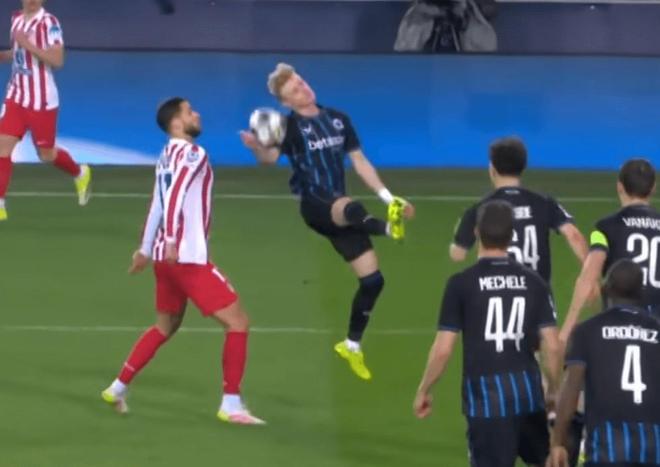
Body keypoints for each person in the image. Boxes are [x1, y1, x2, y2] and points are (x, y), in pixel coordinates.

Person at [240, 63, 415, 381]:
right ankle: (389, 229)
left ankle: (351, 345)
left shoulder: (338, 119)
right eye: (294, 89)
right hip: (315, 205)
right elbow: (270, 159)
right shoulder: (289, 128)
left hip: (342, 211)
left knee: (373, 281)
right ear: (286, 102)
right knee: (350, 207)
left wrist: (389, 198)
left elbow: (360, 162)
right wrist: (257, 147)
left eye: (301, 81)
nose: (303, 88)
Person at [101, 98, 265, 425]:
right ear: (176, 122)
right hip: (186, 257)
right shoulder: (193, 154)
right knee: (238, 323)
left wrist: (146, 249)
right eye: (190, 112)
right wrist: (174, 238)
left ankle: (117, 388)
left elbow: (157, 203)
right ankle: (231, 404)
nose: (197, 114)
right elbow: (174, 194)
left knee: (164, 327)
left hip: (165, 259)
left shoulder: (165, 155)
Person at [414, 200, 562, 467]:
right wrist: (553, 389)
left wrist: (425, 389)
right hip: (528, 395)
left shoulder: (461, 284)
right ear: (512, 236)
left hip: (487, 402)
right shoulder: (535, 282)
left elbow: (443, 349)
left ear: (476, 232)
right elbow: (552, 345)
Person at [549, 259, 660, 467]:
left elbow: (571, 391)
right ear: (642, 293)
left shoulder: (587, 331)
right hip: (653, 450)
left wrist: (557, 443)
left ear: (606, 289)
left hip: (606, 450)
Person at [0, 0, 91, 221]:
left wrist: (27, 44)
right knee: (2, 146)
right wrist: (5, 56)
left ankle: (80, 173)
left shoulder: (50, 23)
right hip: (16, 96)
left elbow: (57, 60)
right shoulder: (16, 19)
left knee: (46, 154)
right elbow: (18, 53)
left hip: (41, 102)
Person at [450, 136, 588, 283]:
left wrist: (459, 230)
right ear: (523, 166)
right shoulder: (544, 203)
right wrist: (590, 277)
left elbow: (458, 255)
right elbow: (574, 235)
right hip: (537, 292)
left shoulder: (479, 209)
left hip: (495, 292)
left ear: (492, 168)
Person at [560, 158, 660, 345]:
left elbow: (588, 277)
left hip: (618, 330)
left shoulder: (605, 228)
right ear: (653, 187)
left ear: (619, 187)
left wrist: (565, 331)